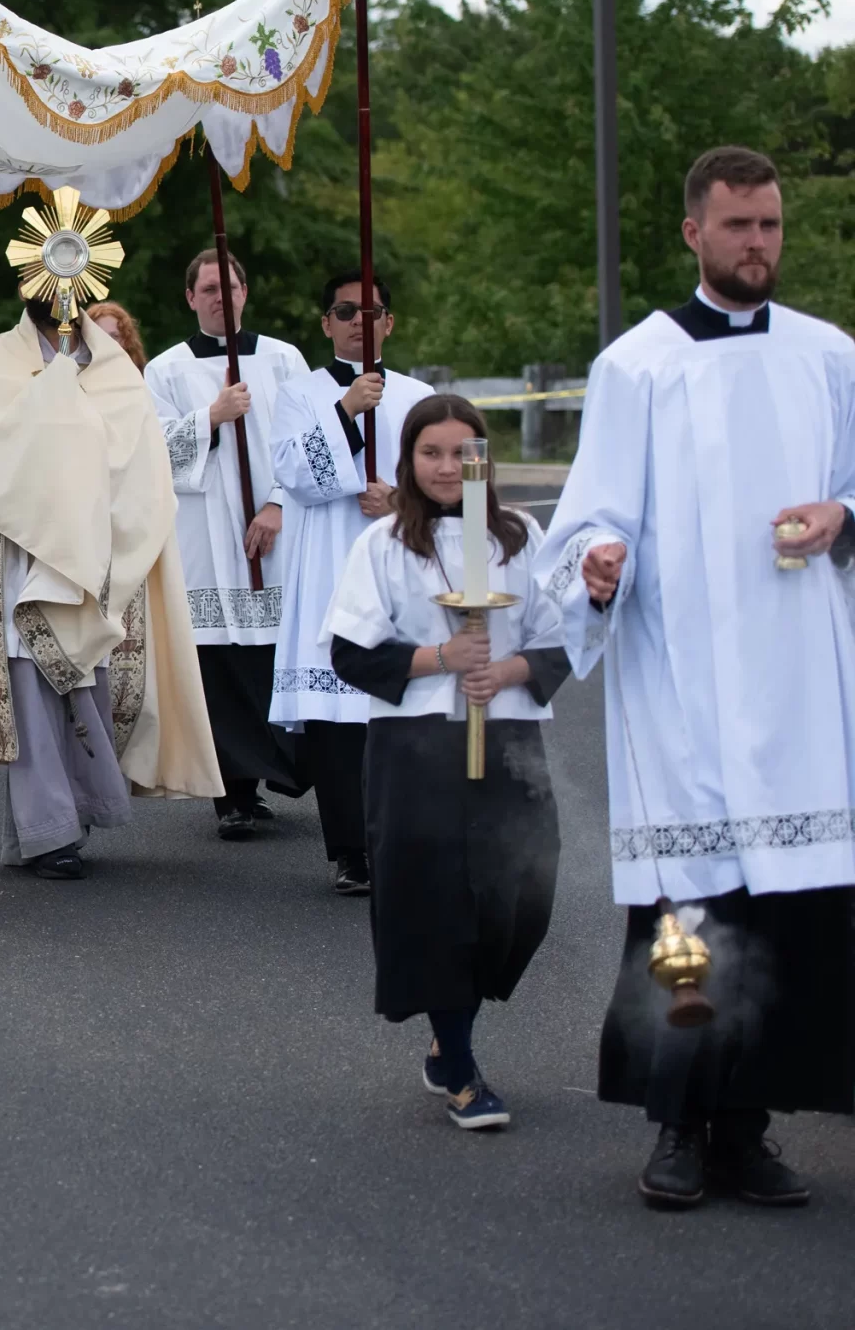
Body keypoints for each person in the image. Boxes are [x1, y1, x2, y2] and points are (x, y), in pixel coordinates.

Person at [543, 145, 855, 1209]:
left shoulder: (827, 356)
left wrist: (841, 517)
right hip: (680, 690)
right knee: (689, 920)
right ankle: (676, 1124)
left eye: (769, 226)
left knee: (780, 923)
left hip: (797, 692)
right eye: (737, 227)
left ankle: (747, 1129)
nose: (757, 244)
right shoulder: (637, 366)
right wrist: (593, 560)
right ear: (693, 234)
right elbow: (589, 511)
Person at [325, 396, 567, 1134]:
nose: (445, 467)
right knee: (438, 905)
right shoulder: (384, 544)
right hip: (418, 748)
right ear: (409, 458)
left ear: (483, 460)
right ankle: (459, 1064)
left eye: (462, 453)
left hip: (509, 742)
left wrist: (510, 670)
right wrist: (442, 659)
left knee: (518, 894)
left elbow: (559, 640)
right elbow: (351, 652)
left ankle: (451, 1029)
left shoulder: (522, 535)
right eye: (430, 452)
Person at [0, 302, 223, 879]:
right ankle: (49, 836)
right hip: (26, 558)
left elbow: (143, 459)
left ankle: (51, 826)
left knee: (89, 696)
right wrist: (56, 405)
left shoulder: (114, 369)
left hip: (98, 559)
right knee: (31, 705)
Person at [268, 270, 436, 898]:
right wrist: (344, 413)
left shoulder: (421, 396)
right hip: (329, 563)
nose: (359, 320)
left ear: (390, 323)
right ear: (326, 323)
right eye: (345, 310)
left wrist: (402, 499)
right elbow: (291, 473)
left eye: (372, 310)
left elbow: (451, 476)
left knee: (398, 708)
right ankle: (351, 851)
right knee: (339, 719)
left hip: (400, 560)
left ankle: (404, 838)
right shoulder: (301, 394)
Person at [144, 250, 306, 837]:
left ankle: (279, 772)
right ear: (190, 298)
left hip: (274, 533)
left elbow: (306, 443)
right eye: (208, 289)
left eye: (229, 286)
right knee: (219, 665)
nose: (220, 297)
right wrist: (211, 416)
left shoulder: (284, 359)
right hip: (206, 538)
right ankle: (233, 795)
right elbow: (153, 453)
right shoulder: (164, 370)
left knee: (272, 657)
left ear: (246, 291)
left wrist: (276, 505)